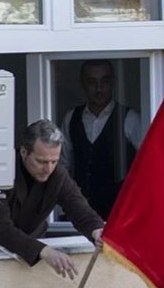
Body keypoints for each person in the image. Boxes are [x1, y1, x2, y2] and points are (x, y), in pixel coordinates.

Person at [0, 120, 104, 279]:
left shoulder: (58, 175)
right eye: (42, 161)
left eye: (54, 161)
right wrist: (44, 251)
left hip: (28, 257)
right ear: (24, 152)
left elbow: (79, 209)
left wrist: (97, 231)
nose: (49, 169)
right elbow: (0, 228)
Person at [61, 59, 142, 219]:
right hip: (80, 214)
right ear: (83, 84)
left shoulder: (129, 119)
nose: (99, 88)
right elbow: (63, 166)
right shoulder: (72, 118)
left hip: (119, 214)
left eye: (104, 81)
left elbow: (147, 165)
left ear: (113, 83)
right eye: (92, 82)